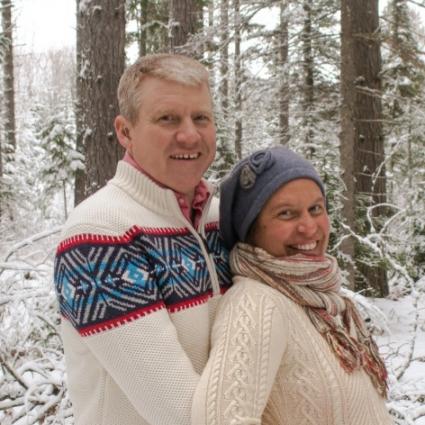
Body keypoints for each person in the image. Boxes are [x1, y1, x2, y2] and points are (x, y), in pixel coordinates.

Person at [54, 54, 232, 425]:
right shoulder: (99, 237)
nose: (189, 134)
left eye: (201, 118)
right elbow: (181, 415)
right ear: (125, 131)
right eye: (168, 119)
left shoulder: (220, 220)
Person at [192, 146, 393, 425]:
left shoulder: (320, 300)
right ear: (250, 228)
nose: (309, 227)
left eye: (315, 209)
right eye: (286, 214)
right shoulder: (257, 303)